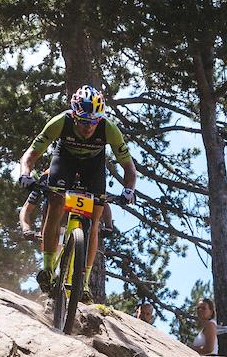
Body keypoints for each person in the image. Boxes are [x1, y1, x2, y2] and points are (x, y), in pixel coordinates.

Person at [17, 85, 137, 299]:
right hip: (65, 161)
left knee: (95, 220)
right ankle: (48, 269)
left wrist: (129, 190)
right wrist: (25, 174)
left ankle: (85, 282)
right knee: (55, 203)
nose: (88, 127)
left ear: (100, 119)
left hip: (93, 167)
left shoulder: (109, 128)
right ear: (74, 115)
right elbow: (31, 154)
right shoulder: (60, 122)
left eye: (94, 122)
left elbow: (129, 168)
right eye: (83, 121)